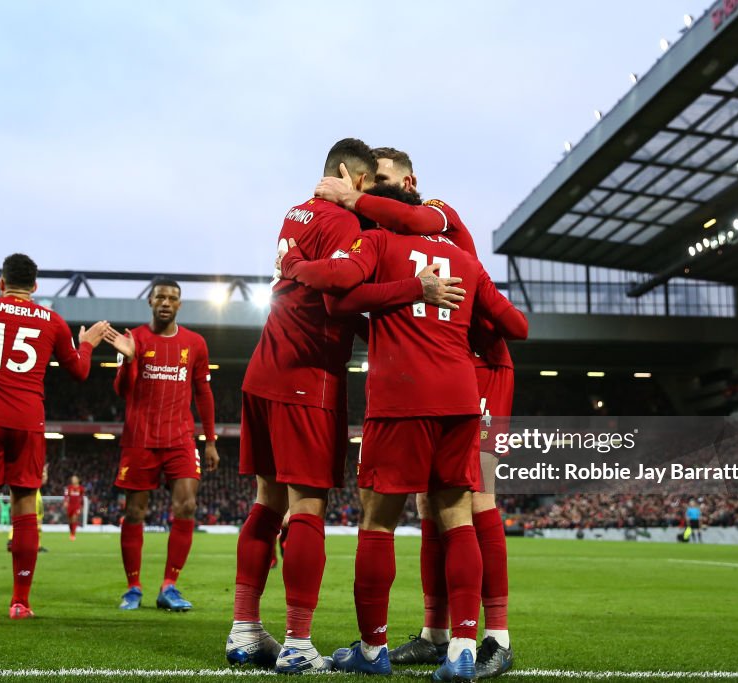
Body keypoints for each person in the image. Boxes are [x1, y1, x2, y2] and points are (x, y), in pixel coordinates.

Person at [228, 138, 464, 674]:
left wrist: (384, 323)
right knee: (307, 509)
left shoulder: (296, 212)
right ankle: (296, 643)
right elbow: (338, 293)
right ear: (346, 173)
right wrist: (414, 291)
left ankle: (244, 631)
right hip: (307, 379)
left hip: (264, 366)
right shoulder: (342, 224)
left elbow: (325, 297)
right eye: (365, 182)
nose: (366, 195)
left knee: (266, 504)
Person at [280, 209, 528, 681]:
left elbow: (337, 301)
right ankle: (461, 647)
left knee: (378, 521)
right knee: (458, 514)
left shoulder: (378, 243)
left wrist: (294, 264)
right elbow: (517, 325)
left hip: (401, 397)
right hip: (460, 398)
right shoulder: (465, 261)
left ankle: (373, 650)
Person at [0, 252, 108, 624]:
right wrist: (89, 343)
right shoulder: (53, 321)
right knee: (23, 508)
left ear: (1, 283)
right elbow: (79, 370)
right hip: (28, 422)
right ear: (35, 286)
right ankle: (20, 602)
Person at [103, 278, 219, 612]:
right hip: (140, 438)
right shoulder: (134, 339)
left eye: (172, 298)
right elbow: (122, 390)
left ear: (179, 305)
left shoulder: (195, 343)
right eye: (160, 297)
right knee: (134, 511)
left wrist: (210, 441)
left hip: (180, 438)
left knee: (187, 506)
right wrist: (127, 360)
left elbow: (204, 393)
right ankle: (133, 587)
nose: (166, 302)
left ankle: (170, 585)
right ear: (150, 302)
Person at [65, 475, 85, 541]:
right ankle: (71, 532)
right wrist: (65, 502)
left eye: (74, 479)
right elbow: (66, 495)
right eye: (72, 479)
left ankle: (73, 535)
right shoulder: (68, 487)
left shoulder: (81, 488)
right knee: (70, 520)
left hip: (77, 506)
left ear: (78, 480)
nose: (73, 480)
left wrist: (82, 506)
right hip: (70, 505)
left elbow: (82, 498)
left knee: (74, 518)